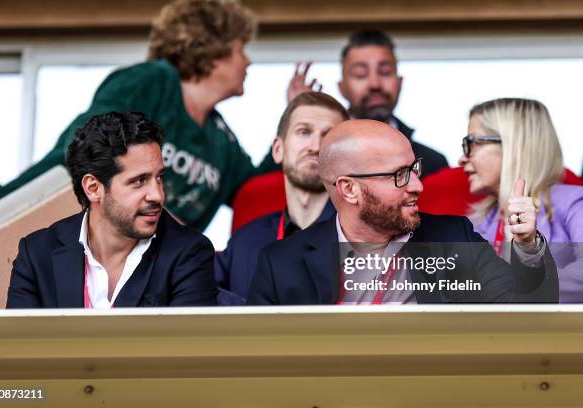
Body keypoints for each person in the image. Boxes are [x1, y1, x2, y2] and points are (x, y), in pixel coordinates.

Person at [0, 0, 277, 231]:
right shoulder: (153, 81)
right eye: (240, 49)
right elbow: (86, 148)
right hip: (39, 221)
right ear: (213, 50)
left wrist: (291, 124)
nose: (248, 61)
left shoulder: (221, 139)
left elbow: (255, 191)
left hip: (147, 272)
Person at [247, 119, 558, 305]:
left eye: (414, 170)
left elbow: (523, 308)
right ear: (349, 189)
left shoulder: (452, 238)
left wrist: (528, 247)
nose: (418, 186)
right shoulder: (281, 263)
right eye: (399, 175)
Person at [7, 112, 217, 308]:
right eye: (139, 181)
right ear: (93, 188)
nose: (158, 195)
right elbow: (18, 346)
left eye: (159, 177)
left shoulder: (191, 254)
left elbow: (184, 347)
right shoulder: (36, 254)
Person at [215, 92, 348, 304]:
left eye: (328, 136)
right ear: (278, 150)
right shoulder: (243, 242)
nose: (315, 146)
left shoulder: (371, 238)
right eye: (303, 132)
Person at [459, 97, 583, 303]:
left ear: (513, 144)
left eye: (471, 143)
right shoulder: (476, 224)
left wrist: (521, 292)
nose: (462, 158)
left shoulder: (573, 204)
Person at [287, 30, 448, 178]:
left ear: (399, 83)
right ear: (341, 88)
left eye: (385, 72)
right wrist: (298, 115)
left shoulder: (433, 164)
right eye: (360, 74)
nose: (375, 83)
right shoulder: (319, 154)